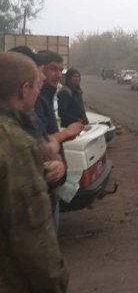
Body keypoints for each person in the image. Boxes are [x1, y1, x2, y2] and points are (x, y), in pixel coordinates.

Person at [0, 51, 69, 293]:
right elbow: (32, 236)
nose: (39, 91)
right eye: (36, 85)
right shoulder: (16, 144)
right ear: (23, 89)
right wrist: (56, 285)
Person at [36, 50, 84, 230]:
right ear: (39, 70)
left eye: (60, 70)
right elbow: (37, 142)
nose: (57, 74)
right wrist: (67, 132)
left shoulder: (47, 95)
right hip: (43, 185)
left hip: (51, 185)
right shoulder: (36, 99)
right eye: (52, 69)